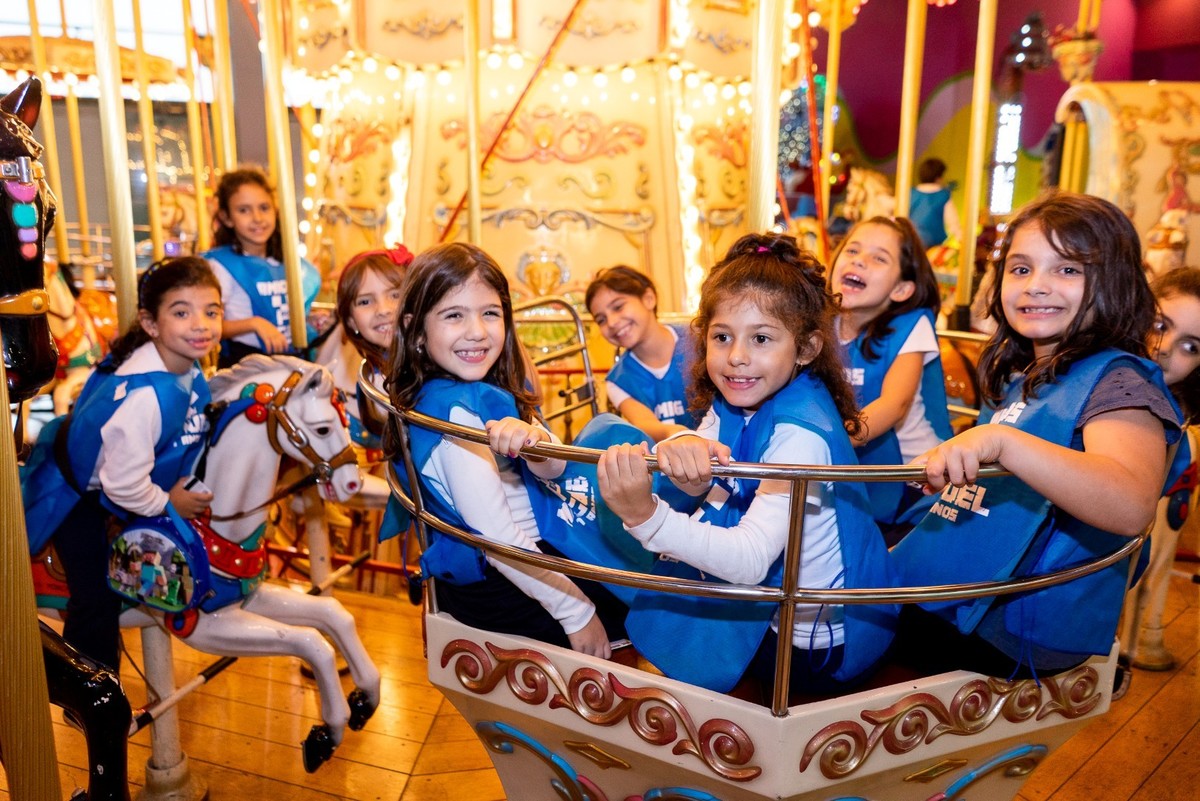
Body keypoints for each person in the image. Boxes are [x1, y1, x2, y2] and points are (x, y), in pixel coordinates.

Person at [891, 191, 1183, 680]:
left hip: (1017, 623)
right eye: (1021, 268)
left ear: (1114, 282)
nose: (1036, 286)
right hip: (979, 593)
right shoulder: (1027, 371)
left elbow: (1131, 503)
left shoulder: (1119, 383)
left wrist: (1002, 444)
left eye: (1067, 269)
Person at [596, 233, 897, 696]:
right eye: (722, 337)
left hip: (811, 643)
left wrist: (643, 516)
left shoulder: (801, 437)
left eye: (760, 338)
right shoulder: (739, 400)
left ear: (806, 348)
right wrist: (685, 444)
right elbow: (706, 463)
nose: (737, 357)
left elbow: (751, 559)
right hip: (771, 606)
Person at [385, 242, 653, 658]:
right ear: (416, 330)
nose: (477, 331)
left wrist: (535, 446)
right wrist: (576, 612)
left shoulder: (481, 389)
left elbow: (555, 469)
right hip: (503, 576)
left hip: (532, 550)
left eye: (490, 313)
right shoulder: (453, 411)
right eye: (454, 315)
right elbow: (498, 537)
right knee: (648, 604)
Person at [21, 257, 222, 668]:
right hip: (78, 493)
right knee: (96, 596)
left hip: (122, 484)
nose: (200, 324)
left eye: (211, 311)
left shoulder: (186, 367)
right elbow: (122, 484)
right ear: (151, 324)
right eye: (181, 313)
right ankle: (92, 683)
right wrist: (168, 503)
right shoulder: (144, 395)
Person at [829, 216, 952, 530]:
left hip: (911, 477)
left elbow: (894, 404)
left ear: (901, 289)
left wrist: (828, 444)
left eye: (879, 258)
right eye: (852, 250)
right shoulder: (821, 325)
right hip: (851, 468)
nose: (860, 260)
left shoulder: (910, 326)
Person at [1123, 267, 1200, 670]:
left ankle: (1141, 639)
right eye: (1159, 325)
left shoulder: (1172, 420)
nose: (1165, 348)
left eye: (1190, 346)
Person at [204, 166, 322, 366]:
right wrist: (254, 324)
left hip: (293, 357)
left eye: (264, 208)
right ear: (226, 217)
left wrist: (310, 321)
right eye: (244, 210)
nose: (257, 218)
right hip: (246, 361)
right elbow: (207, 323)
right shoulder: (220, 266)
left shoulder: (288, 264)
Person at [586, 266, 700, 441]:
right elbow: (645, 424)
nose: (612, 322)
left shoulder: (700, 342)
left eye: (618, 307)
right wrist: (679, 434)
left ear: (648, 299)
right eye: (601, 319)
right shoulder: (618, 380)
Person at [332, 246, 414, 454]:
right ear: (351, 321)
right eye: (365, 301)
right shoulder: (370, 381)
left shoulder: (440, 362)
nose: (383, 309)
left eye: (395, 295)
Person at [909, 158, 961, 248]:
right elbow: (953, 223)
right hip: (933, 244)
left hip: (911, 242)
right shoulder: (943, 195)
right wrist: (961, 239)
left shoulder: (911, 193)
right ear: (938, 178)